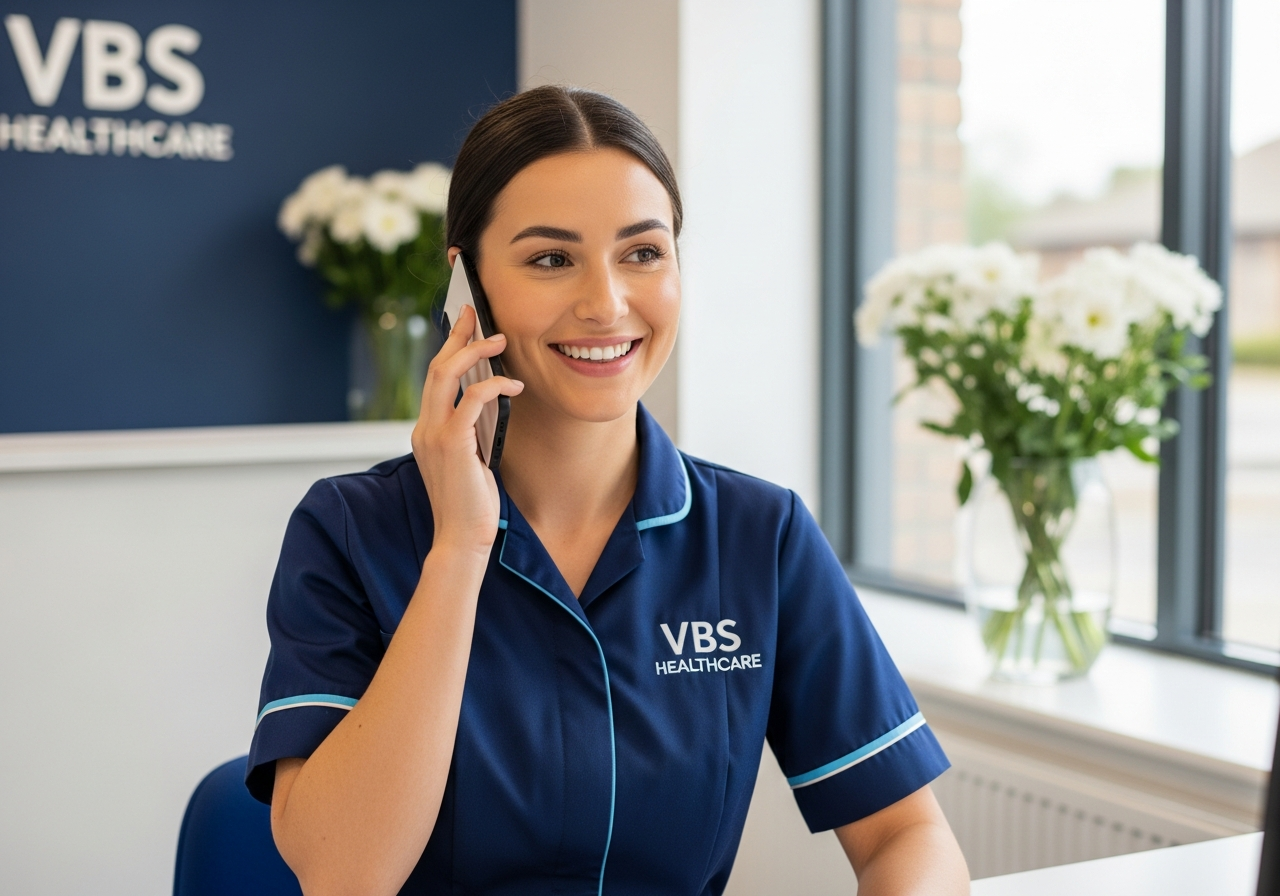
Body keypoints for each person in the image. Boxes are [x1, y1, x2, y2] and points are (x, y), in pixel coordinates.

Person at [246, 85, 969, 896]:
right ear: (468, 286)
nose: (607, 303)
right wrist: (459, 548)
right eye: (551, 259)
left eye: (643, 253)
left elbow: (906, 835)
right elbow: (344, 875)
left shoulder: (758, 534)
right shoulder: (350, 529)